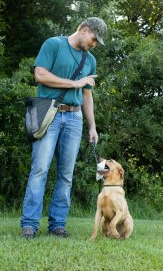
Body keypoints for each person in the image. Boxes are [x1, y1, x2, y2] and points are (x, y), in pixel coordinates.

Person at [20, 17, 107, 239]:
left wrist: (92, 126)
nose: (94, 44)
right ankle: (29, 224)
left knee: (66, 175)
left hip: (75, 119)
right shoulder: (54, 44)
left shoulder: (90, 60)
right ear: (85, 30)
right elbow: (40, 75)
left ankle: (57, 225)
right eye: (94, 39)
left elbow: (87, 94)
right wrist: (74, 83)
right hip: (50, 114)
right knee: (40, 170)